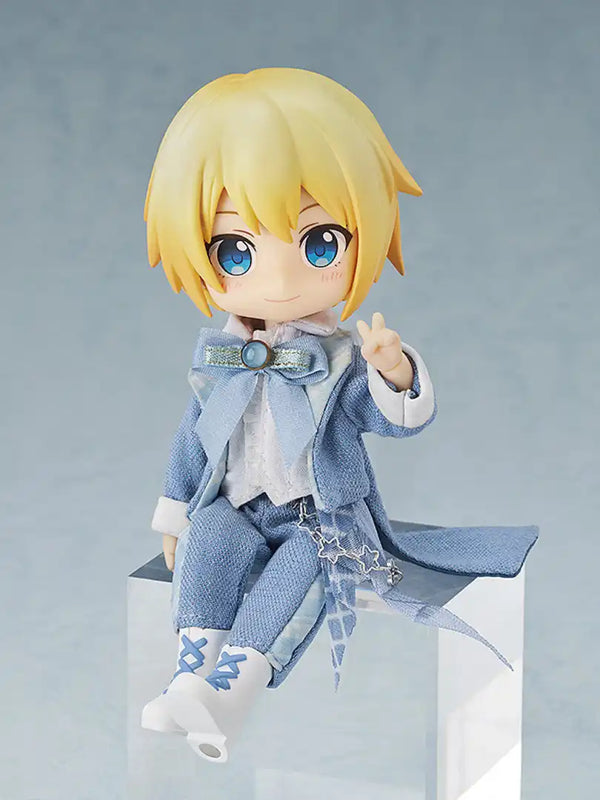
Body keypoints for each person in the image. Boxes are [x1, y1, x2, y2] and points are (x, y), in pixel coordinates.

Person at [140, 68, 537, 763]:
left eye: (319, 242)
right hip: (237, 505)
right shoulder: (220, 362)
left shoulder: (339, 360)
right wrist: (174, 515)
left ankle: (231, 696)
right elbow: (193, 441)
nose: (281, 279)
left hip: (321, 518)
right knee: (209, 542)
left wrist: (393, 371)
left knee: (304, 569)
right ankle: (186, 679)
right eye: (236, 250)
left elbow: (392, 419)